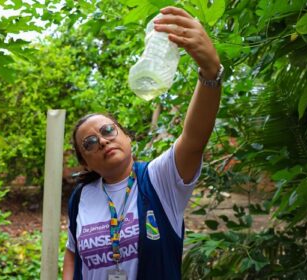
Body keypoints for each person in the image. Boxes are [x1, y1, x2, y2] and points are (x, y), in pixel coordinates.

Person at [63, 6, 222, 280]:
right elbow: (73, 252)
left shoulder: (159, 180)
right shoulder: (82, 197)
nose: (101, 140)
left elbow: (195, 139)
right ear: (84, 161)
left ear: (126, 136)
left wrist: (210, 71)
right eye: (89, 142)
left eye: (108, 130)